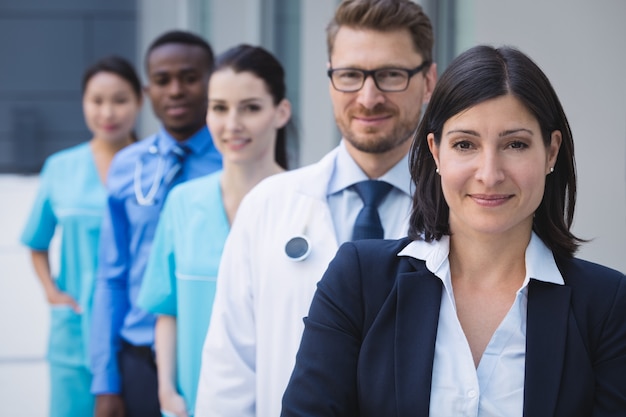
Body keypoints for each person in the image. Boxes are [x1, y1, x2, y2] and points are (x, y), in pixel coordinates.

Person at [281, 45, 626, 416]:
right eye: (465, 144)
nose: (489, 174)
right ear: (436, 151)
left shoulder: (606, 305)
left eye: (515, 144)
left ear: (551, 152)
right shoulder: (359, 280)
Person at [195, 1, 437, 416]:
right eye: (349, 76)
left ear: (428, 81)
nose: (368, 96)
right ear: (330, 79)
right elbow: (229, 372)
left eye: (391, 75)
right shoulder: (268, 207)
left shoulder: (461, 214)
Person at [137, 44, 292, 417]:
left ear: (280, 112)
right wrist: (166, 391)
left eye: (250, 107)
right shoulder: (183, 203)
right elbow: (167, 309)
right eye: (220, 108)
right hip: (193, 404)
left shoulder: (306, 204)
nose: (232, 124)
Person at [89, 31, 222, 417]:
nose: (176, 90)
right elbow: (111, 276)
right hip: (140, 357)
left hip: (210, 352)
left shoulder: (236, 164)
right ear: (148, 91)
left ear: (212, 82)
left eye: (189, 77)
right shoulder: (128, 165)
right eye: (163, 80)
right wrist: (106, 381)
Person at [20, 55, 142, 417]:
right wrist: (51, 292)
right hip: (74, 331)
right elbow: (36, 242)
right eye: (97, 100)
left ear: (139, 101)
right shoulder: (60, 168)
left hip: (135, 329)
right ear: (83, 103)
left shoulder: (155, 165)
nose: (108, 112)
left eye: (120, 100)